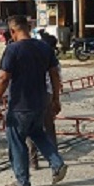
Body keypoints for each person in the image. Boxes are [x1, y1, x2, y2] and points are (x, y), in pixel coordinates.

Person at [0, 15, 67, 186]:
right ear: (28, 27)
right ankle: (57, 164)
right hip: (40, 102)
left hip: (20, 105)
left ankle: (22, 181)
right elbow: (55, 74)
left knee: (17, 141)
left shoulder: (13, 50)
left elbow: (3, 78)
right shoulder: (44, 47)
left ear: (12, 31)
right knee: (38, 134)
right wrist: (56, 99)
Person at [27, 34, 61, 170]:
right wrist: (56, 100)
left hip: (31, 96)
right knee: (49, 129)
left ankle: (33, 161)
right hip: (46, 95)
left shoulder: (32, 58)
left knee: (32, 129)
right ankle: (55, 162)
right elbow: (56, 81)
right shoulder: (54, 61)